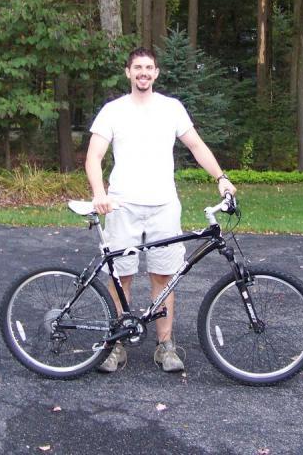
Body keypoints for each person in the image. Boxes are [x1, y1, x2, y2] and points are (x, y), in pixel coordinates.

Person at [85, 46, 237, 373]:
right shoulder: (113, 111)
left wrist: (221, 178)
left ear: (156, 73)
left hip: (164, 205)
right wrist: (99, 193)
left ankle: (165, 345)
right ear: (128, 72)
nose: (143, 73)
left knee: (164, 276)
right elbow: (94, 156)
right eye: (137, 67)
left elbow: (196, 145)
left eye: (148, 67)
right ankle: (115, 345)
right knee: (121, 275)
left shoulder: (172, 109)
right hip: (121, 203)